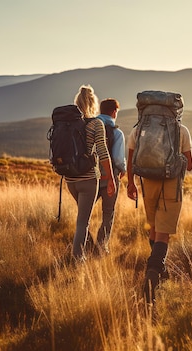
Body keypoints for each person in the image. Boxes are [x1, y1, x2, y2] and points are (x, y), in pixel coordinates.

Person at [126, 101, 192, 305]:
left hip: (148, 184)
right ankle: (152, 274)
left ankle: (160, 271)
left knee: (154, 228)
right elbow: (190, 165)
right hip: (171, 185)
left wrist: (130, 184)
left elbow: (131, 160)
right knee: (163, 233)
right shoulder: (181, 130)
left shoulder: (139, 129)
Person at [66, 85, 116, 260]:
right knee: (83, 223)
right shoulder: (96, 124)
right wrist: (111, 178)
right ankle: (77, 259)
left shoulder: (68, 124)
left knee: (82, 219)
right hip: (88, 179)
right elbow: (103, 153)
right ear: (93, 103)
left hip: (70, 179)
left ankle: (86, 252)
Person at [94, 98, 126, 254]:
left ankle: (83, 243)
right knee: (108, 213)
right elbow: (118, 159)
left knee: (84, 213)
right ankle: (101, 247)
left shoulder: (90, 128)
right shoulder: (117, 133)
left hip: (91, 178)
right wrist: (123, 169)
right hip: (109, 179)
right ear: (114, 112)